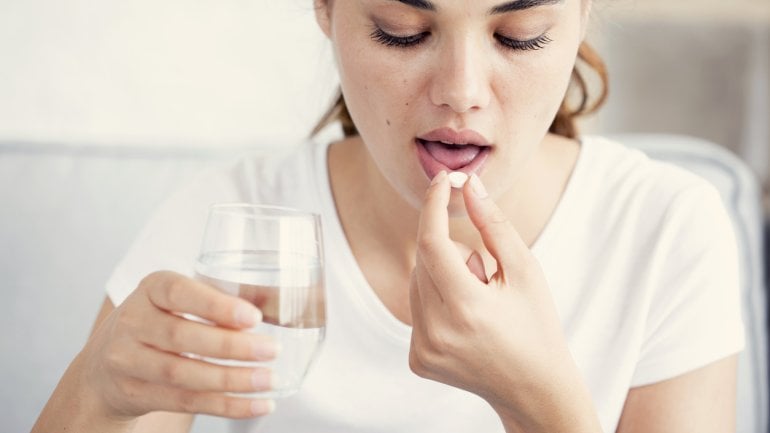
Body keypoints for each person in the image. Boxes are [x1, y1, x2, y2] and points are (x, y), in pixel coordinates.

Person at [32, 0, 745, 432]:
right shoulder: (233, 227)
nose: (461, 93)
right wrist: (98, 387)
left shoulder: (665, 229)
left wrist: (540, 404)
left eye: (519, 34)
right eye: (402, 31)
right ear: (326, 9)